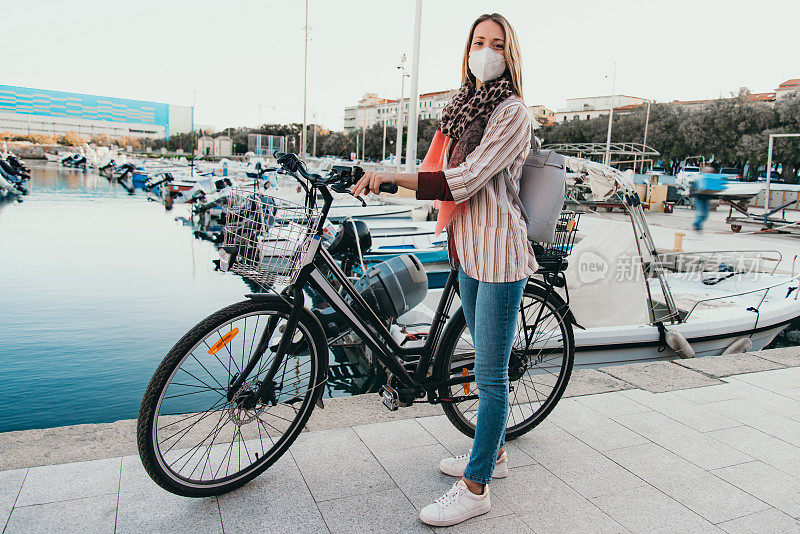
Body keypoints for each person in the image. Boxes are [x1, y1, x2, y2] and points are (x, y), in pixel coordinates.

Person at [353, 12, 535, 527]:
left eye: (496, 44)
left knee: (491, 375)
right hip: (468, 252)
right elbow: (439, 169)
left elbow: (462, 180)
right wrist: (395, 178)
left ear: (510, 54)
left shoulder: (512, 114)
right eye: (478, 41)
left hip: (499, 254)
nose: (486, 51)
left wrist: (392, 178)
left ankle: (476, 487)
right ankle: (492, 453)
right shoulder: (463, 107)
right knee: (481, 355)